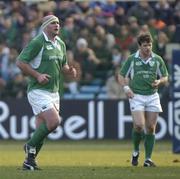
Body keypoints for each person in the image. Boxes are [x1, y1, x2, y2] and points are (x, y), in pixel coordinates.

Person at [16, 14, 77, 170]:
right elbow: (20, 62)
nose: (57, 25)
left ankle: (29, 161)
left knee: (42, 129)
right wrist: (37, 75)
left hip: (54, 92)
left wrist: (69, 71)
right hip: (38, 90)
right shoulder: (38, 42)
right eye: (52, 23)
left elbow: (62, 66)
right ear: (45, 26)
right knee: (54, 122)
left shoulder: (61, 44)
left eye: (58, 23)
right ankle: (29, 145)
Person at [118, 33, 168, 167]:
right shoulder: (132, 59)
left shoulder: (157, 59)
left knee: (151, 128)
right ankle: (135, 152)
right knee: (139, 125)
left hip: (152, 96)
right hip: (137, 96)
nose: (148, 48)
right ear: (139, 46)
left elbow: (165, 76)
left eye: (150, 45)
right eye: (145, 45)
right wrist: (126, 89)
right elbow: (121, 75)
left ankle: (148, 159)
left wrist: (159, 81)